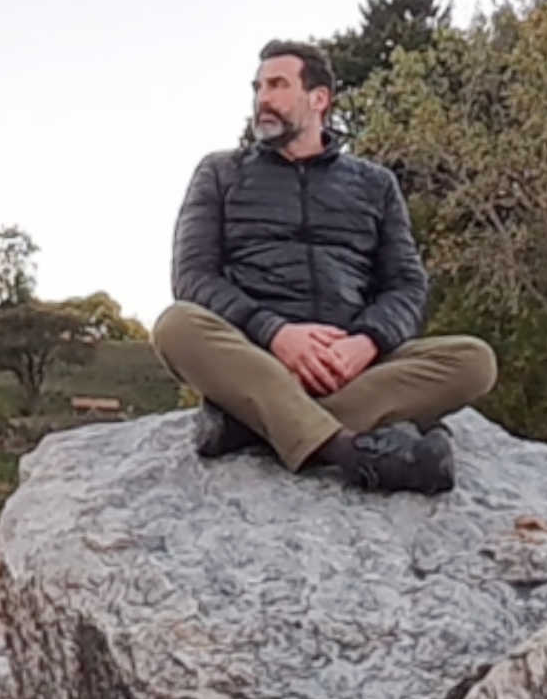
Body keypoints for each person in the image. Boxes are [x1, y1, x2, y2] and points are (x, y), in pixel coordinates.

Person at [151, 39, 497, 493]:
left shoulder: (375, 184)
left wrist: (366, 342)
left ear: (319, 99)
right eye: (258, 88)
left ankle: (256, 425)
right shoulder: (220, 172)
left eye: (277, 85)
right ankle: (348, 451)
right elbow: (193, 278)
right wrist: (275, 333)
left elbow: (407, 285)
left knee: (475, 361)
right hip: (255, 352)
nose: (262, 100)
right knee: (175, 326)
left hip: (351, 362)